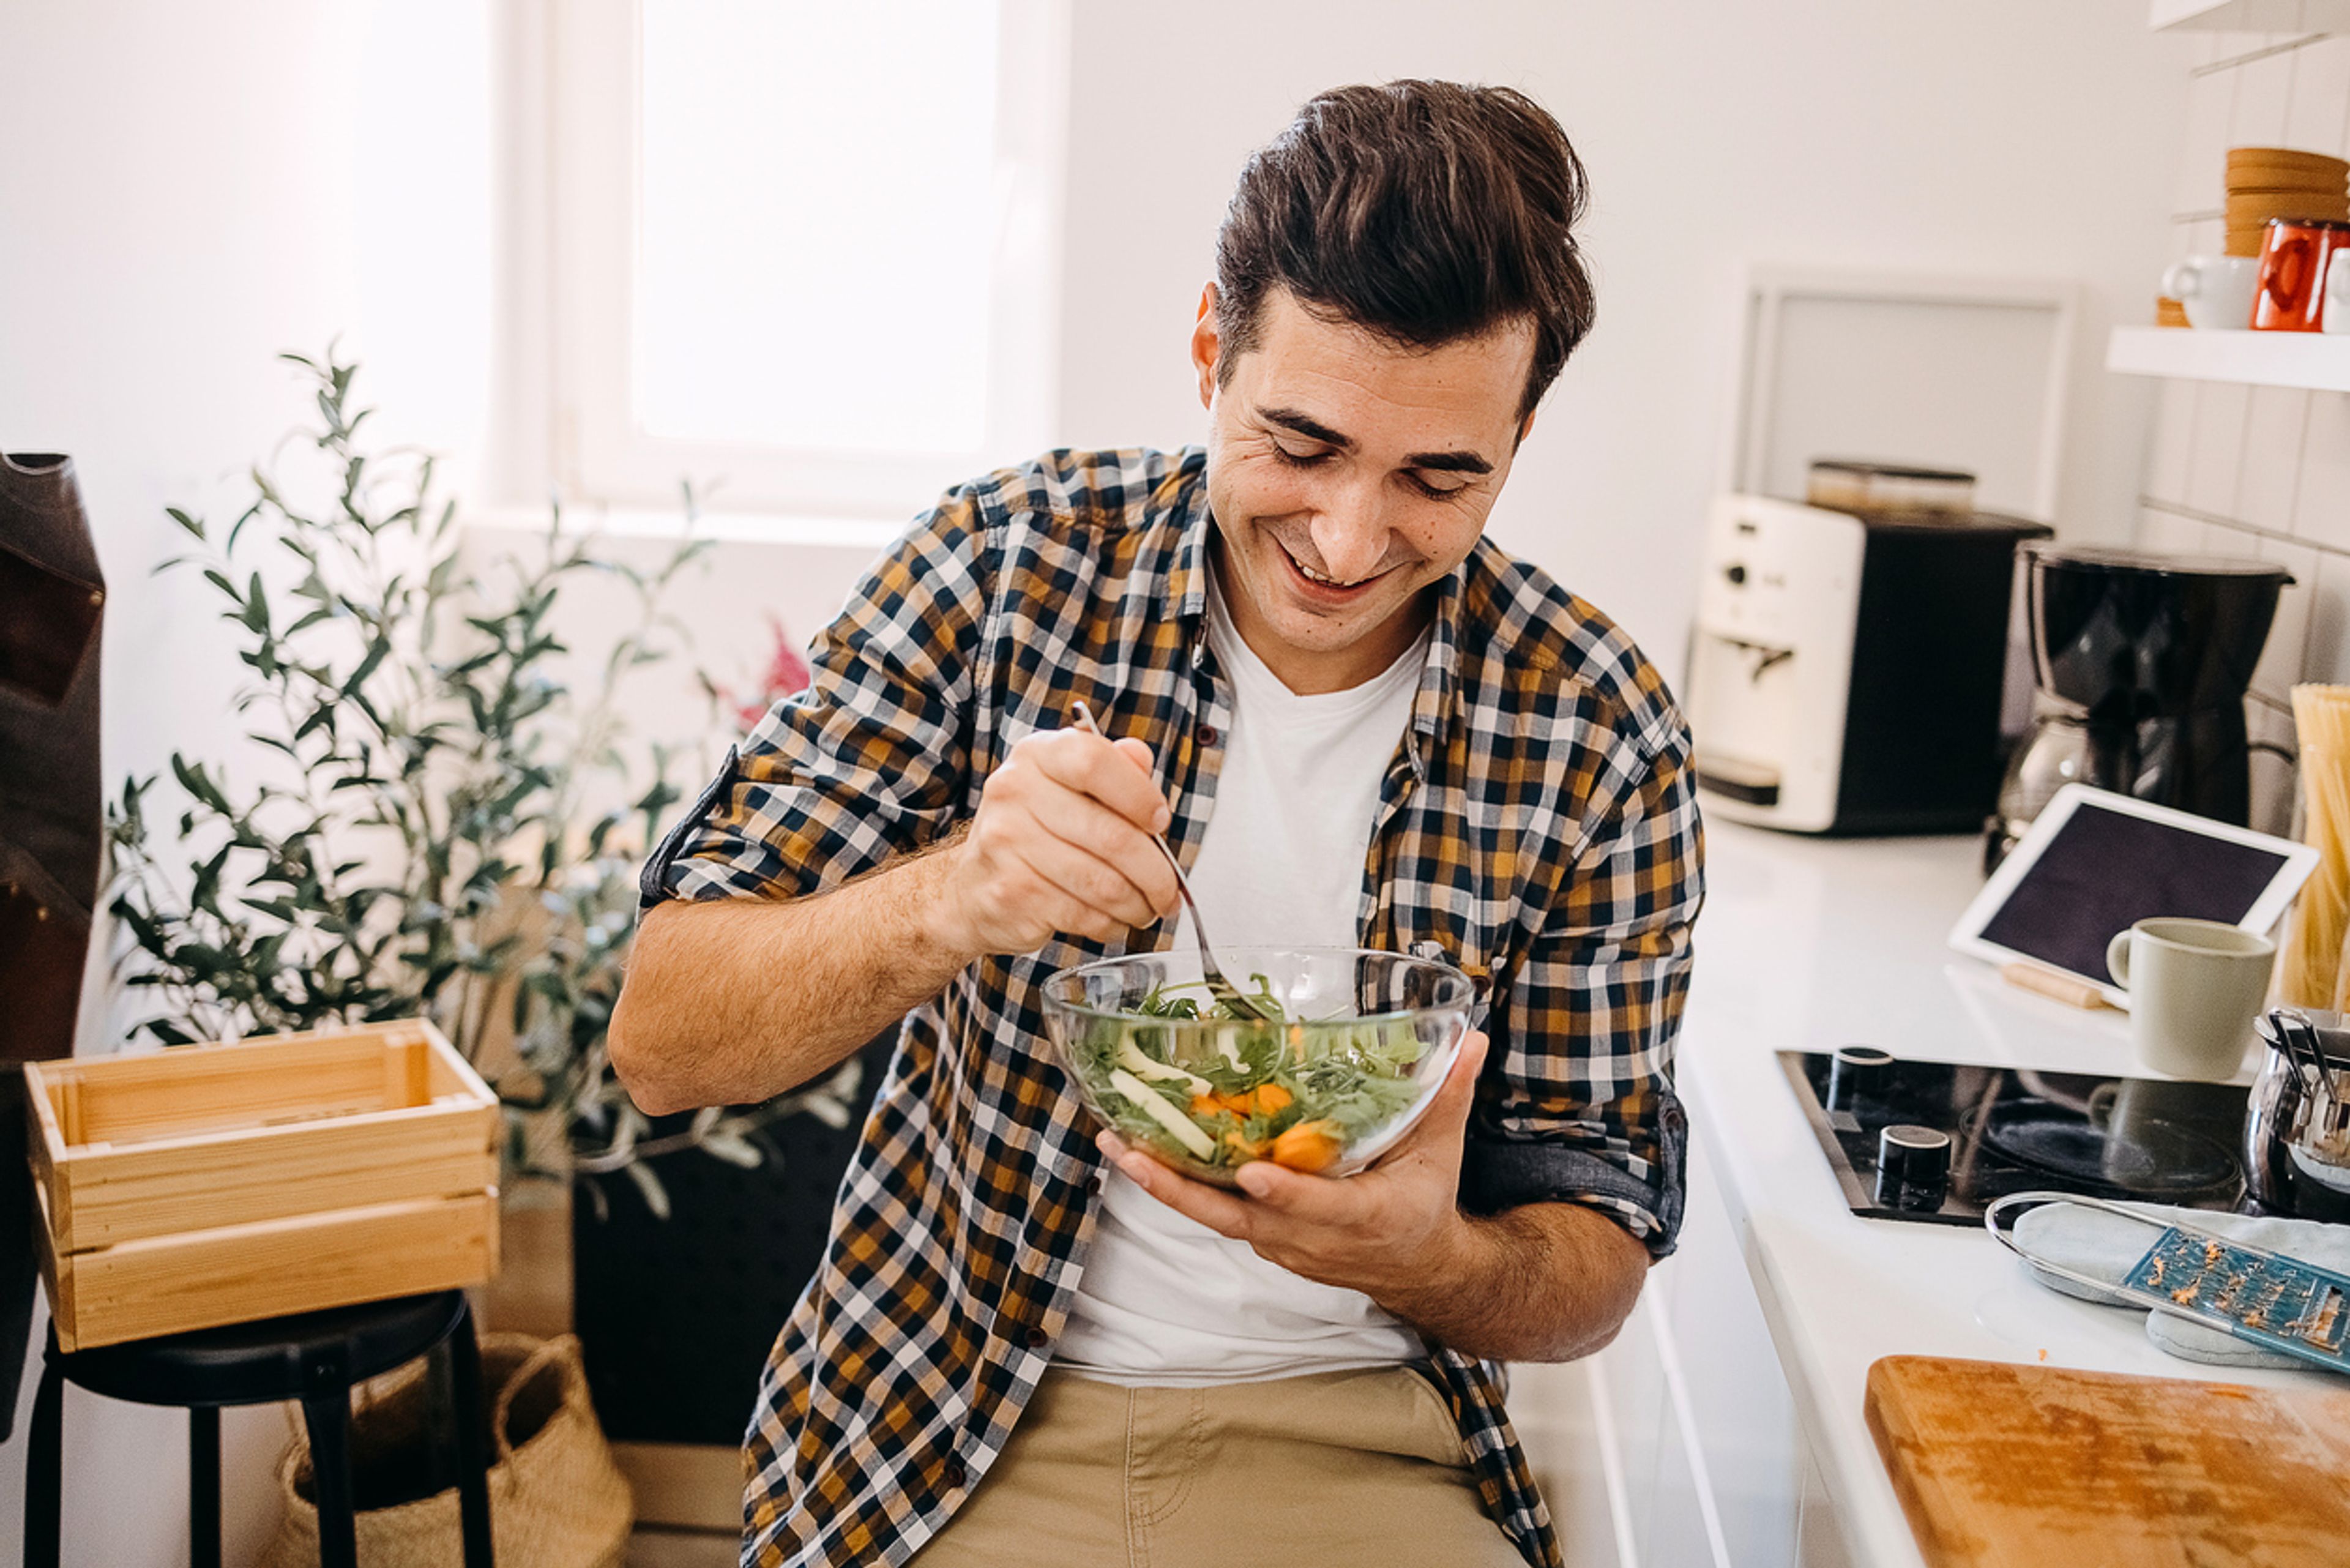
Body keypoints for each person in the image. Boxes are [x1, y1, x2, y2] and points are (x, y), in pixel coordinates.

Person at [610, 78, 1703, 1568]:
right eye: (1302, 444)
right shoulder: (1005, 569)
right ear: (1210, 348)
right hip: (943, 1424)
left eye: (1440, 478)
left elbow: (1591, 1263)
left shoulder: (1600, 730)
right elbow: (663, 1039)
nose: (1349, 540)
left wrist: (1435, 1257)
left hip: (1369, 1438)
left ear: (1518, 437)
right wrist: (954, 898)